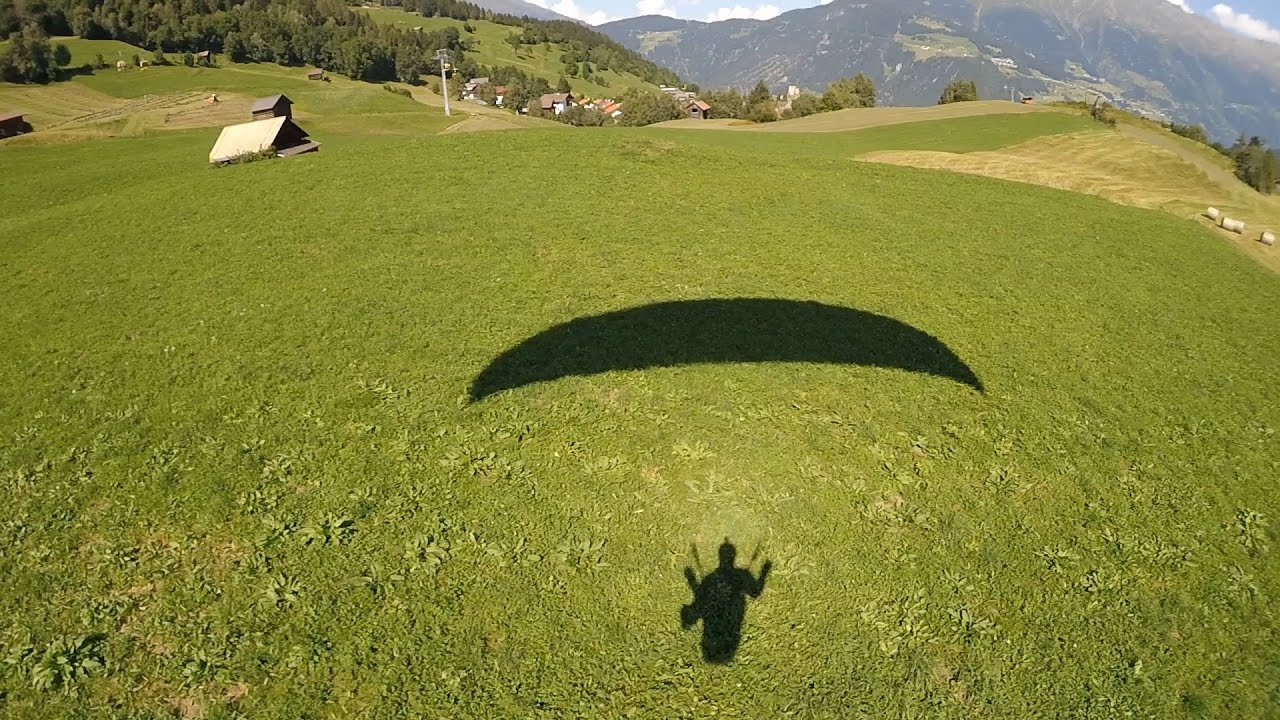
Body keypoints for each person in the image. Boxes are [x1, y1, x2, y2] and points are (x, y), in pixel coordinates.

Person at [681, 538, 771, 663]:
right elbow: (755, 592)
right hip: (730, 633)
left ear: (720, 557)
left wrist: (692, 580)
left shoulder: (711, 579)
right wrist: (764, 572)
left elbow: (700, 601)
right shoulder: (740, 576)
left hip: (712, 636)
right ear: (734, 556)